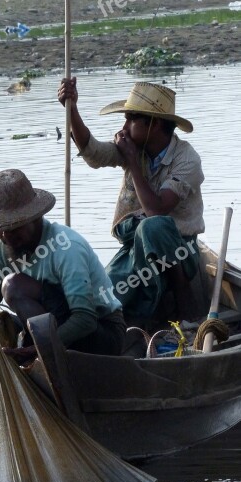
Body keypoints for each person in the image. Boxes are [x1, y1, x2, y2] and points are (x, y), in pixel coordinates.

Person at [57, 79, 205, 322]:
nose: (124, 127)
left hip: (180, 251)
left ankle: (184, 299)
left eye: (130, 119)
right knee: (104, 298)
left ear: (154, 124)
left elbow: (157, 210)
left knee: (154, 224)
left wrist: (133, 162)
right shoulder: (135, 146)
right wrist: (71, 109)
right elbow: (92, 151)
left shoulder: (187, 159)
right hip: (137, 249)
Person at [0, 168, 126, 362]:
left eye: (14, 227)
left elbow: (85, 319)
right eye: (1, 229)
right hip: (48, 326)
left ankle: (44, 354)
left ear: (34, 218)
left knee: (13, 286)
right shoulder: (7, 246)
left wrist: (39, 349)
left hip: (100, 333)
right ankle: (35, 348)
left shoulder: (66, 247)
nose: (6, 236)